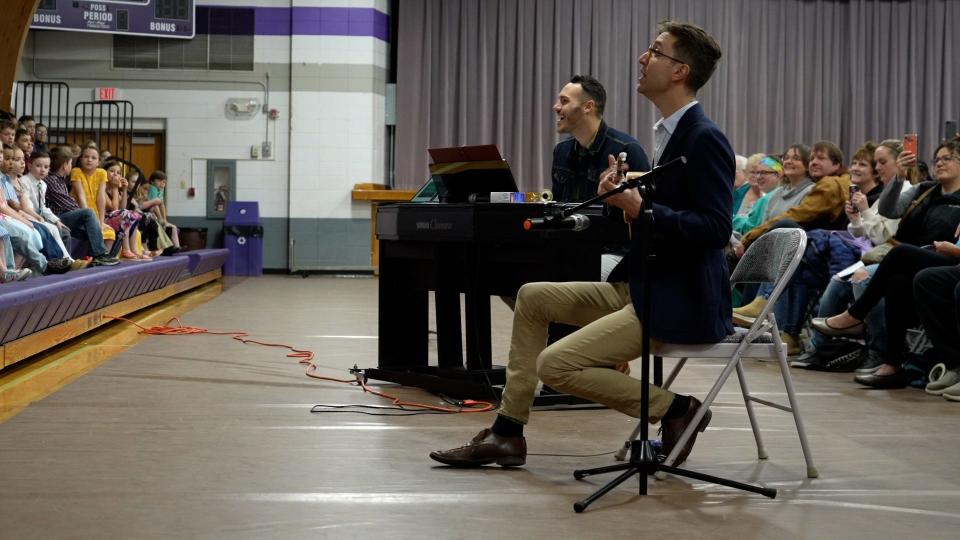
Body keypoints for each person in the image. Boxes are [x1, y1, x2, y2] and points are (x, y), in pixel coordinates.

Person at [430, 20, 732, 468]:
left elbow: (715, 228)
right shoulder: (669, 134)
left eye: (655, 50)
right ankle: (507, 433)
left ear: (679, 71)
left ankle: (679, 409)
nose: (642, 57)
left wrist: (640, 206)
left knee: (555, 365)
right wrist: (623, 197)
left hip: (678, 299)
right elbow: (659, 218)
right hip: (645, 285)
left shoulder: (703, 137)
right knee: (532, 297)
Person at [813, 138, 960, 388]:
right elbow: (891, 210)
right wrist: (899, 178)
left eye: (948, 158)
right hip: (917, 259)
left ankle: (855, 315)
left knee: (899, 255)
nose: (940, 163)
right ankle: (893, 365)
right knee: (897, 279)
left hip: (946, 259)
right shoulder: (925, 190)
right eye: (937, 159)